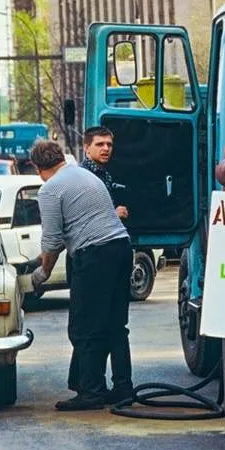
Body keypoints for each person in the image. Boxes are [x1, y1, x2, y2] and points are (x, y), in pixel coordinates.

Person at [29, 140, 134, 411]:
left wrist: (41, 274)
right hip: (121, 248)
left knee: (84, 327)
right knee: (114, 324)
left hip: (95, 256)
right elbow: (79, 224)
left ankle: (91, 392)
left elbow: (52, 240)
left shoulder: (50, 189)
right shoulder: (85, 175)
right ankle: (123, 388)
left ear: (36, 166)